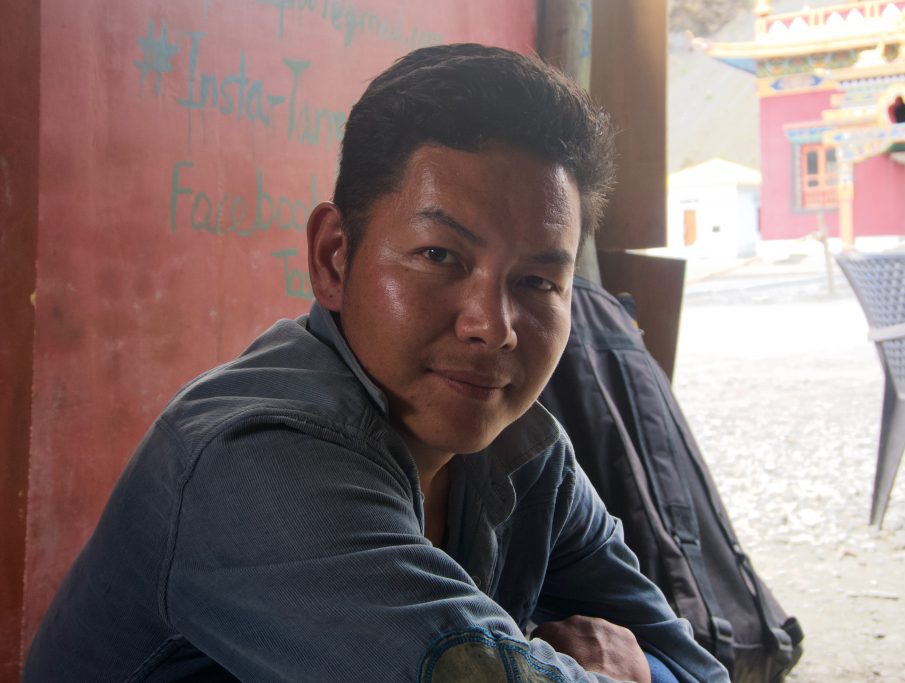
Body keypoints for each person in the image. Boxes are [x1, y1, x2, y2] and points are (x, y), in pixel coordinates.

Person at [23, 44, 728, 682]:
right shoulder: (255, 460)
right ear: (334, 258)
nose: (494, 326)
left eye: (538, 282)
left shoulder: (526, 454)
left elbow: (698, 668)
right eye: (440, 256)